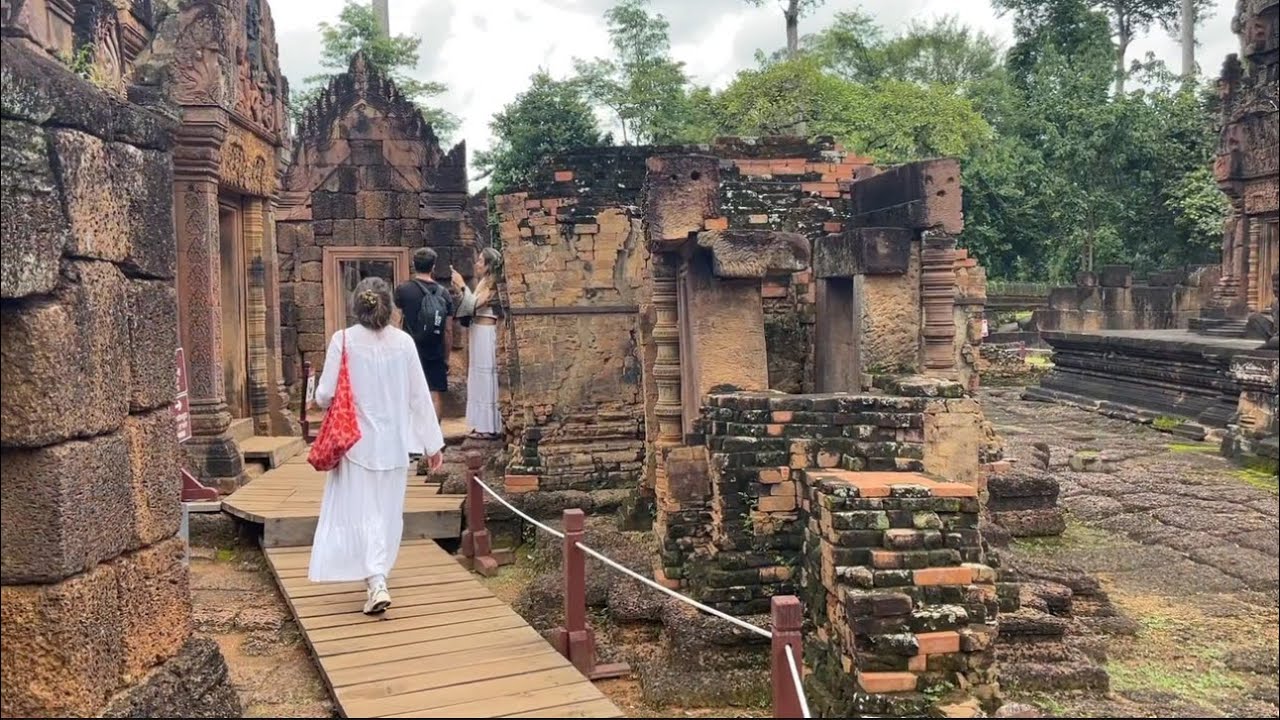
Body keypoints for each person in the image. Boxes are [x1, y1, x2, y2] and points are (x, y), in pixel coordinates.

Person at [308, 277, 445, 615]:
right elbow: (419, 397)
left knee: (365, 513)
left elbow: (324, 395)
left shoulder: (343, 341)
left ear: (358, 306)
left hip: (356, 444)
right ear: (391, 309)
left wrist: (321, 396)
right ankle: (377, 576)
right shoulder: (404, 343)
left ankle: (375, 579)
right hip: (396, 445)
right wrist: (432, 444)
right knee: (386, 515)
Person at [394, 248, 454, 413]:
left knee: (407, 391)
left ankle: (410, 434)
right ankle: (435, 436)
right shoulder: (444, 294)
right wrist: (446, 357)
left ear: (414, 265)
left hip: (409, 348)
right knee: (434, 393)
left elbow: (397, 320)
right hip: (435, 349)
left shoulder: (403, 290)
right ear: (433, 267)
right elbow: (448, 330)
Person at [451, 247, 503, 439]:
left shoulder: (492, 283)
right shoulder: (483, 282)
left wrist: (462, 285)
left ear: (489, 265)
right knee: (477, 376)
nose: (477, 264)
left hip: (486, 332)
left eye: (481, 261)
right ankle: (479, 424)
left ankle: (489, 426)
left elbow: (474, 304)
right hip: (477, 332)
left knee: (485, 375)